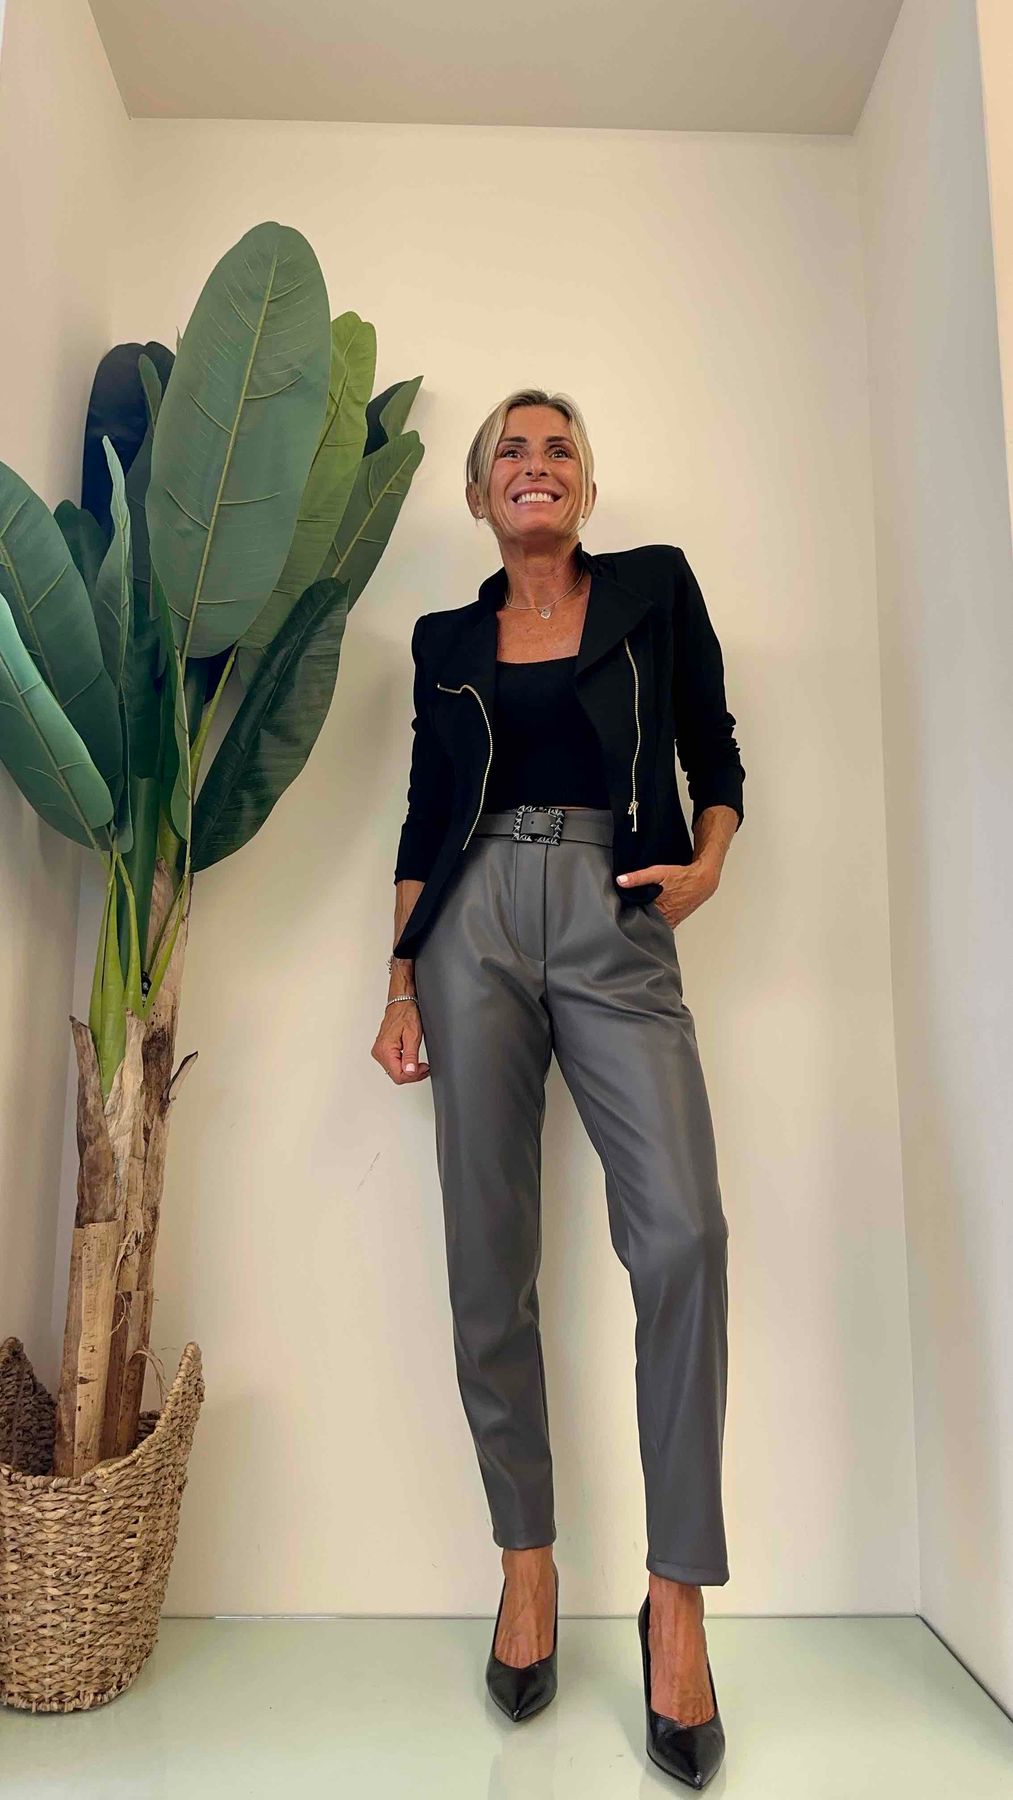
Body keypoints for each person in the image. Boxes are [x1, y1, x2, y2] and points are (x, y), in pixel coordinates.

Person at [372, 387, 744, 1788]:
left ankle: (676, 1601)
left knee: (682, 1236)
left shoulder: (651, 590)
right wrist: (400, 981)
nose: (536, 465)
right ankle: (524, 1564)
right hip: (468, 926)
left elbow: (715, 747)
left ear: (584, 486)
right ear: (481, 496)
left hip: (612, 909)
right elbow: (425, 813)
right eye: (510, 453)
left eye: (559, 449)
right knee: (489, 1256)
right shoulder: (445, 641)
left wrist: (706, 863)